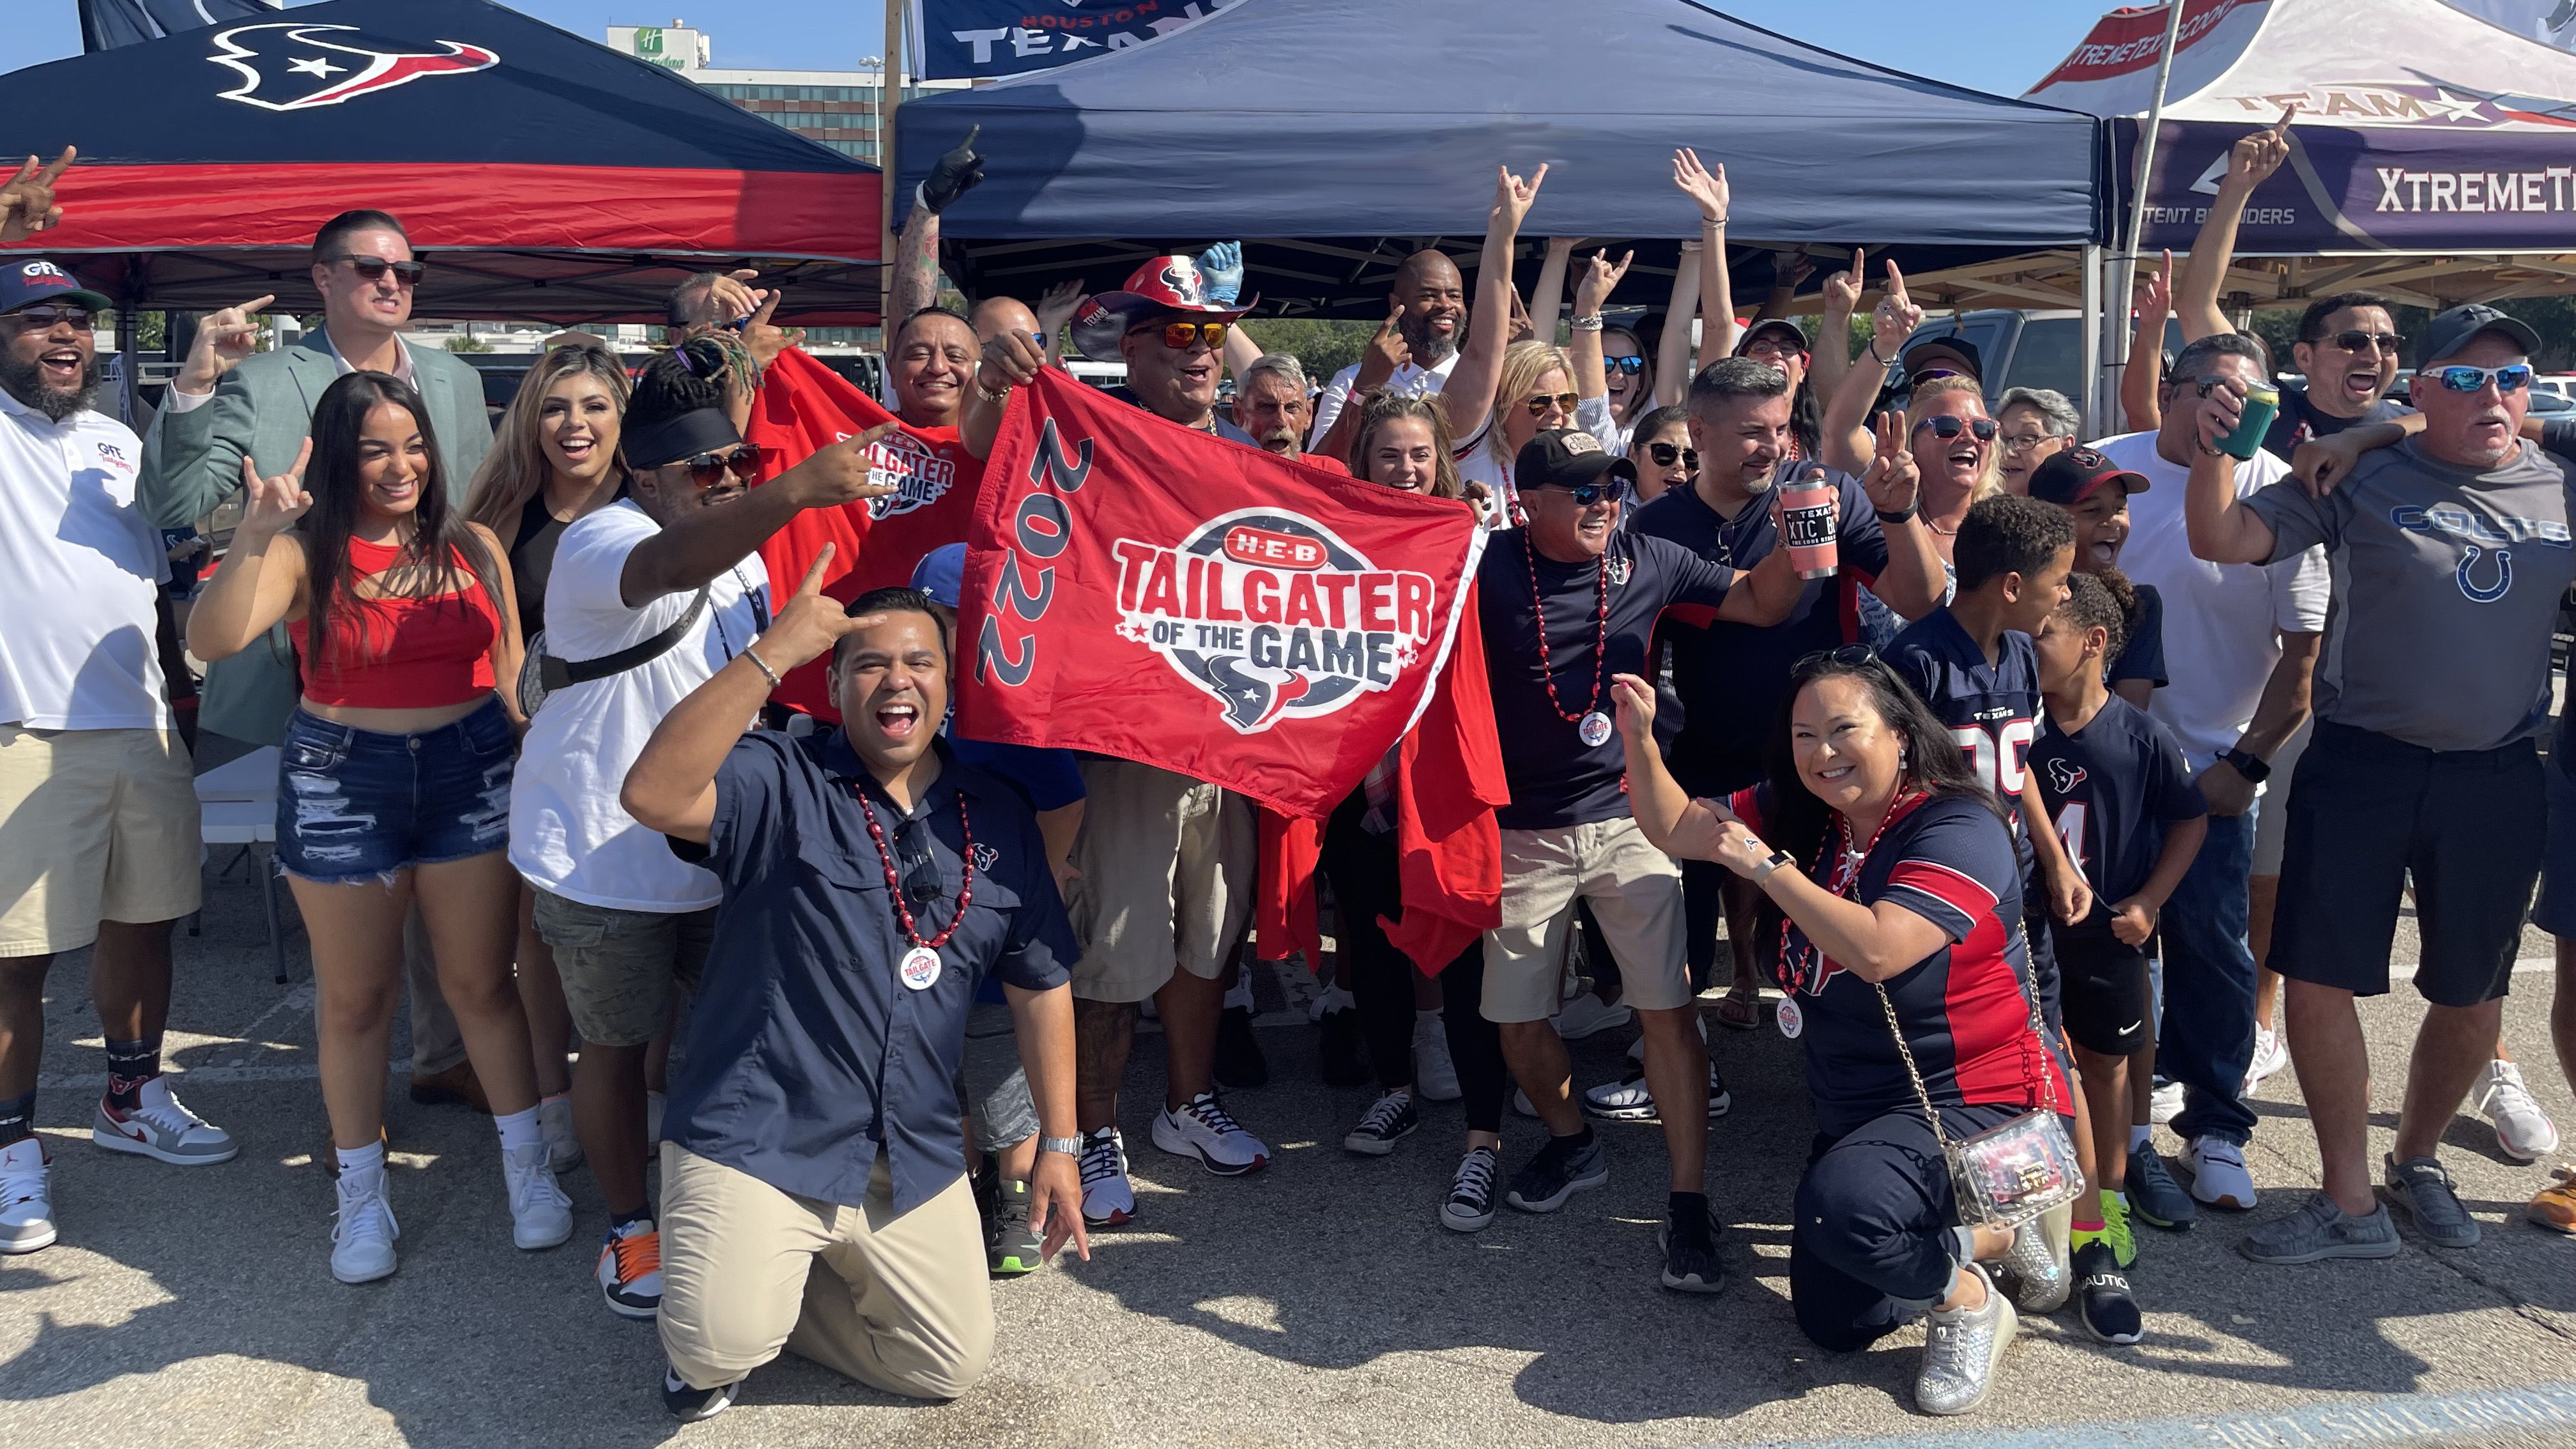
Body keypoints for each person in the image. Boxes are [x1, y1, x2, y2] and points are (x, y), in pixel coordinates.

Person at [619, 569, 1087, 1421]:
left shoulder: (999, 815)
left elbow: (1041, 983)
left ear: (950, 682)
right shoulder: (779, 775)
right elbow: (652, 795)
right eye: (868, 665)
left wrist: (1061, 1141)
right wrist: (770, 653)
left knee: (946, 1364)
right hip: (760, 1130)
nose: (896, 680)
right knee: (718, 1345)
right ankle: (728, 1297)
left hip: (906, 1141)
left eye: (919, 662)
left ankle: (776, 1284)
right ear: (833, 685)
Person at [2181, 305, 2575, 1264]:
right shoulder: (2356, 478)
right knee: (2318, 976)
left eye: (2513, 379)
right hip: (2364, 761)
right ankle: (2348, 1199)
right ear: (2426, 388)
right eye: (2469, 379)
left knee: (2474, 992)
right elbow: (2222, 539)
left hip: (2499, 771)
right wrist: (2222, 450)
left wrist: (2379, 420)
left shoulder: (2564, 476)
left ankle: (2419, 1158)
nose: (2497, 396)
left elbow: (2519, 417)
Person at [509, 341, 894, 1317]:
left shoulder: (748, 555)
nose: (727, 484)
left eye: (741, 465)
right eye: (705, 470)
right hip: (601, 851)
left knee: (734, 1040)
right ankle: (631, 1227)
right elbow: (670, 563)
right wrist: (798, 487)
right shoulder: (597, 543)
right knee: (615, 1044)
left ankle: (742, 1205)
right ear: (642, 474)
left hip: (716, 851)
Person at [1616, 650, 2071, 1416]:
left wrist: (1766, 869)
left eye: (1842, 729)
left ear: (1900, 731)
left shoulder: (1961, 825)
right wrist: (1640, 740)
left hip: (1966, 1093)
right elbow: (1672, 826)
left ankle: (1969, 1303)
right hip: (1860, 1104)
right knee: (1835, 1322)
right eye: (1802, 735)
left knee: (1844, 1213)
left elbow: (1877, 949)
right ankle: (1985, 1233)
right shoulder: (1806, 812)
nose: (1821, 754)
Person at [186, 371, 567, 1284]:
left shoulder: (473, 544)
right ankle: (360, 1197)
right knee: (354, 1000)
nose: (401, 466)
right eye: (374, 449)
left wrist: (551, 765)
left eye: (413, 444)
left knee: (483, 986)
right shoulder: (305, 551)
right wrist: (253, 533)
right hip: (340, 779)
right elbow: (214, 639)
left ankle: (530, 1174)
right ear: (340, 458)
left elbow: (511, 677)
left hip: (472, 769)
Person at [140, 208, 497, 1115]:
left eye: (409, 271)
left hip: (449, 688)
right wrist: (193, 376)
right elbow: (176, 497)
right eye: (373, 268)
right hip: (316, 684)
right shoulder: (264, 379)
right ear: (323, 278)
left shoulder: (452, 380)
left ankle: (447, 1058)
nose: (394, 283)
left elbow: (485, 505)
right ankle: (363, 1123)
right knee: (358, 936)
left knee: (463, 931)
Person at [969, 252, 1276, 1225]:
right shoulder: (1079, 432)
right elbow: (985, 442)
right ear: (1132, 346)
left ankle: (1188, 1104)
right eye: (1179, 333)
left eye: (1211, 333)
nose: (1200, 351)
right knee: (1111, 953)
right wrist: (997, 376)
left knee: (1206, 942)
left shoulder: (1246, 447)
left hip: (1221, 742)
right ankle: (1094, 1127)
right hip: (1127, 748)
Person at [1474, 426, 1807, 1292]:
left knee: (1668, 1011)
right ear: (1530, 502)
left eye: (1612, 487)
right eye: (1582, 491)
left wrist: (1805, 530)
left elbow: (1764, 602)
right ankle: (1573, 1142)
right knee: (1517, 1022)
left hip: (1633, 817)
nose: (1604, 503)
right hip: (1520, 828)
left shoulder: (1647, 558)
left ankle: (1689, 1202)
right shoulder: (1483, 565)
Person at [1621, 359, 1940, 1110]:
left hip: (1823, 759)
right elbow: (1677, 638)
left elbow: (1918, 601)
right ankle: (1683, 1059)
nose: (1774, 447)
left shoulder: (1832, 490)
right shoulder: (1660, 525)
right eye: (1753, 433)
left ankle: (1858, 1071)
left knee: (1833, 912)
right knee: (1685, 921)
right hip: (1713, 744)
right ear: (1698, 434)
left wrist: (1899, 516)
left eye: (1783, 429)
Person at [0, 257, 231, 1257]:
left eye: (76, 320)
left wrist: (191, 390)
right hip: (21, 729)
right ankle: (10, 1151)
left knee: (144, 923)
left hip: (138, 723)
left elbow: (160, 541)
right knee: (16, 957)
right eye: (37, 320)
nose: (65, 336)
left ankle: (131, 1096)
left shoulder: (109, 435)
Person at [2087, 334, 2324, 1229]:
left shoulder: (2286, 499)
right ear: (2173, 394)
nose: (2231, 408)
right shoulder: (2111, 473)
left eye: (2251, 395)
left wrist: (2248, 765)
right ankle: (2128, 1124)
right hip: (2103, 773)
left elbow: (2302, 664)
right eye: (2214, 391)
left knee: (2216, 951)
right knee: (2111, 954)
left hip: (2213, 772)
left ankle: (2217, 1125)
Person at [1324, 394, 1508, 1225]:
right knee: (1371, 945)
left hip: (1440, 783)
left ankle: (1483, 1139)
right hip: (1357, 786)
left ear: (1442, 460)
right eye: (1389, 455)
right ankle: (1394, 1087)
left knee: (1462, 956)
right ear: (1366, 463)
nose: (1405, 469)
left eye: (1418, 455)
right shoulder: (1333, 544)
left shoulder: (1469, 545)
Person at [466, 340, 638, 1172]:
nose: (575, 424)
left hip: (635, 751)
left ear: (621, 418)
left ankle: (638, 1088)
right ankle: (551, 1098)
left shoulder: (656, 508)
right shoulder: (502, 518)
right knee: (537, 928)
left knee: (644, 921)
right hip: (530, 748)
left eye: (595, 406)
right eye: (557, 407)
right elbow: (490, 645)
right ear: (532, 420)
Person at [2029, 572, 2209, 1345]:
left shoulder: (2141, 736)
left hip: (2107, 934)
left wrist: (2149, 902)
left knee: (2103, 1067)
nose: (2026, 646)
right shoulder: (2019, 730)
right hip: (2027, 930)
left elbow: (2191, 822)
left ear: (2094, 644)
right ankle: (2031, 1204)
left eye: (2042, 634)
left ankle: (2100, 1208)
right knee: (2037, 1065)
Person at [908, 543, 1088, 1274]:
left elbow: (1064, 791)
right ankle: (952, 1201)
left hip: (992, 947)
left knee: (1005, 1091)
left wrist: (1038, 871)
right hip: (918, 937)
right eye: (929, 614)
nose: (934, 630)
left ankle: (1018, 1206)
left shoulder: (1005, 699)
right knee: (937, 1087)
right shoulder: (906, 692)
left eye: (948, 617)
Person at [2172, 110, 2410, 458]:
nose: (2374, 354)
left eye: (2388, 343)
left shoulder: (2415, 432)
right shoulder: (2268, 413)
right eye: (2353, 341)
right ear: (2304, 357)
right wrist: (2237, 187)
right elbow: (2196, 305)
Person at [2027, 448, 2166, 709]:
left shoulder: (2139, 605)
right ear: (2045, 519)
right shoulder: (2018, 599)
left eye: (2119, 508)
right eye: (2092, 511)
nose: (2112, 521)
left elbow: (2127, 716)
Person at [1995, 387, 2079, 496]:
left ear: (2065, 447)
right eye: (2002, 439)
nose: (2008, 452)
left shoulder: (2085, 507)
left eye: (2026, 439)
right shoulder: (1975, 507)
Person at [1234, 352, 1314, 459]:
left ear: (1308, 414)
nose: (1281, 421)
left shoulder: (1329, 473)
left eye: (1291, 408)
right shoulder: (1223, 474)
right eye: (1267, 407)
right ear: (1239, 413)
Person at [1625, 404, 1695, 508]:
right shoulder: (1611, 500)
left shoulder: (1716, 519)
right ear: (1634, 454)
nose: (1680, 464)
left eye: (1692, 457)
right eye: (1665, 453)